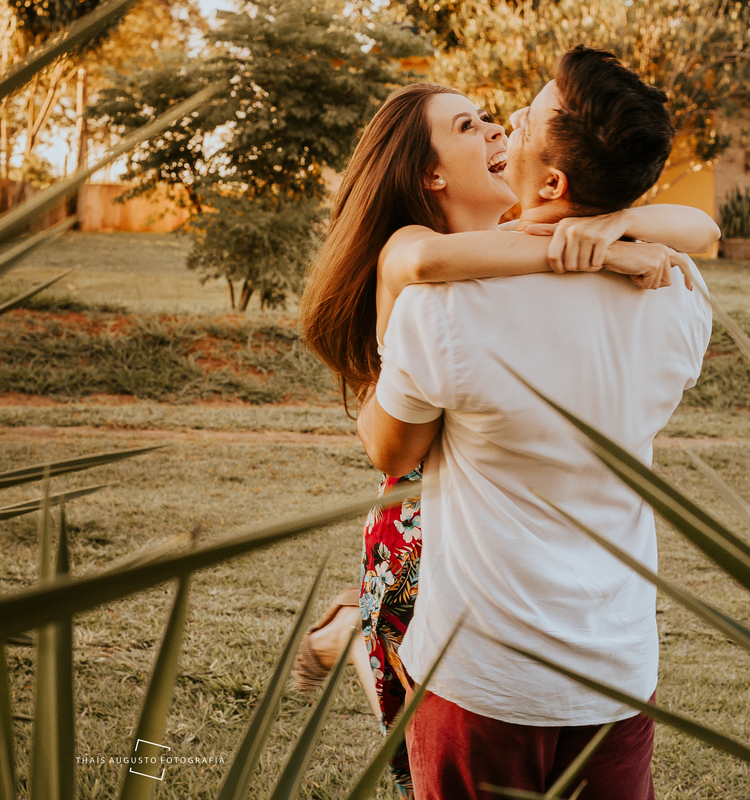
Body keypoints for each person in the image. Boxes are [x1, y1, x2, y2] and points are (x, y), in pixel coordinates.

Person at [293, 49, 719, 797]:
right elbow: (696, 232)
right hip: (609, 657)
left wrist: (612, 230)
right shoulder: (677, 292)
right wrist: (607, 245)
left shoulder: (450, 308)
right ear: (429, 175)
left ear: (552, 183)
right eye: (472, 125)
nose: (503, 124)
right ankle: (358, 636)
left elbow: (391, 445)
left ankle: (355, 637)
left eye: (513, 119)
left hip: (483, 665)